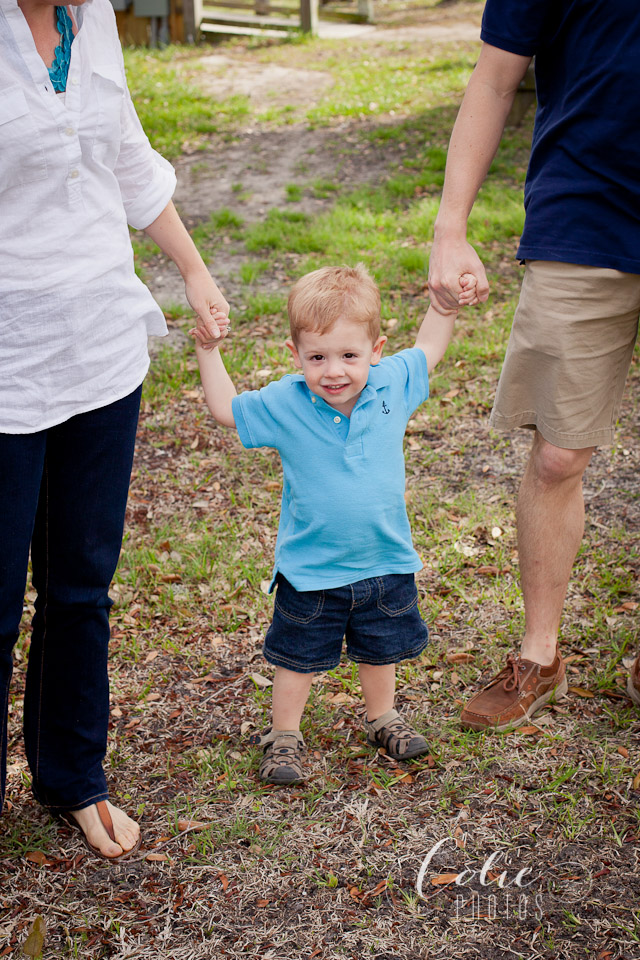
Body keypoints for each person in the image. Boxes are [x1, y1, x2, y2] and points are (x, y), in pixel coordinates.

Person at [0, 0, 230, 858]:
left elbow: (126, 159)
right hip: (7, 357)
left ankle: (73, 776)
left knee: (80, 583)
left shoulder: (91, 19)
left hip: (99, 347)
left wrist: (194, 266)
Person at [428, 0, 640, 731]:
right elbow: (493, 81)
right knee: (555, 453)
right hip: (584, 215)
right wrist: (450, 226)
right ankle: (539, 656)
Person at [193, 264, 477, 784]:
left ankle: (382, 717)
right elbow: (226, 411)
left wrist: (443, 308)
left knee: (381, 647)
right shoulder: (285, 402)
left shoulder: (392, 382)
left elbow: (429, 349)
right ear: (294, 355)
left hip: (386, 559)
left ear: (376, 349)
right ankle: (283, 736)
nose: (333, 371)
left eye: (349, 355)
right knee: (296, 658)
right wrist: (208, 351)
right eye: (317, 357)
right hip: (311, 569)